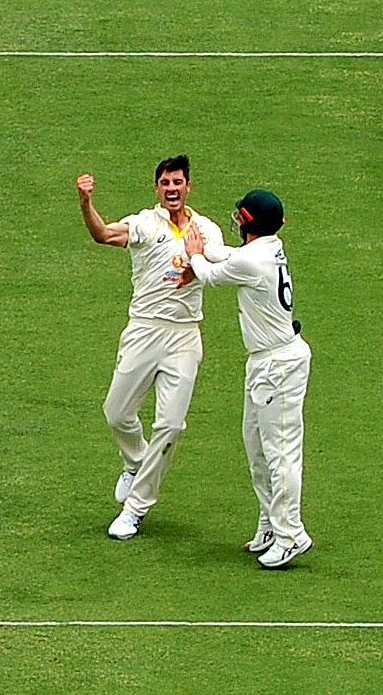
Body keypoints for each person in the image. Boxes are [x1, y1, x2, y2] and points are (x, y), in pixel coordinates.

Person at [77, 157, 226, 540]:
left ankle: (135, 508)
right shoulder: (145, 222)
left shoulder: (206, 228)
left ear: (188, 186)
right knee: (116, 413)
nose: (171, 188)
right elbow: (104, 235)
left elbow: (221, 267)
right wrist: (85, 202)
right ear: (157, 188)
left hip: (184, 335)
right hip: (144, 330)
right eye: (165, 183)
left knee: (171, 425)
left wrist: (196, 262)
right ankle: (136, 464)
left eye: (177, 181)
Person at [182, 190, 313, 569]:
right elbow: (229, 256)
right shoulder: (268, 248)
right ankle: (271, 525)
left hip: (278, 366)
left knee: (281, 452)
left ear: (246, 221)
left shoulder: (254, 261)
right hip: (265, 363)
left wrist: (194, 253)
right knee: (256, 446)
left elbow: (210, 274)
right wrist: (207, 245)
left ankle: (291, 535)